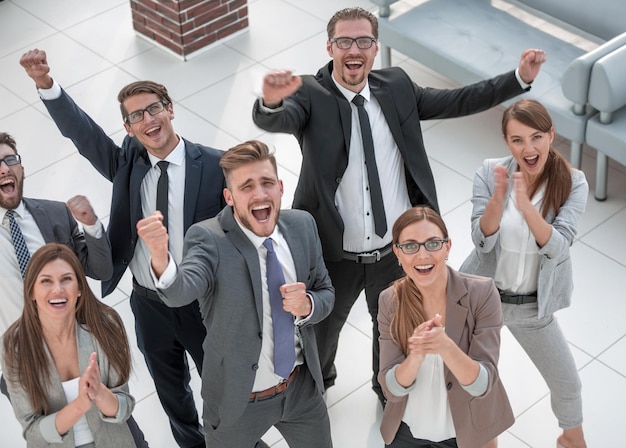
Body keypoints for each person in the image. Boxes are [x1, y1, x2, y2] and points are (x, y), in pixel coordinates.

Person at [252, 6, 547, 403]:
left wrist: (519, 79)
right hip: (333, 252)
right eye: (344, 41)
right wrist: (270, 103)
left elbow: (458, 100)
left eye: (363, 41)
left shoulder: (397, 86)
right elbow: (279, 119)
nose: (353, 49)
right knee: (321, 329)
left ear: (375, 49)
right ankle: (317, 386)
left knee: (392, 329)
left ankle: (385, 389)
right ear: (329, 47)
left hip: (396, 252)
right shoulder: (309, 93)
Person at [20, 49, 229, 448]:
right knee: (172, 393)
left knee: (220, 387)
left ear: (170, 110)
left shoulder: (216, 165)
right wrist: (47, 85)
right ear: (129, 128)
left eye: (153, 109)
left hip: (200, 302)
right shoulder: (128, 163)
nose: (147, 120)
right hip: (149, 304)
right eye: (136, 116)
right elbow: (84, 134)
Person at [136, 140, 334, 447]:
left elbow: (326, 292)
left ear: (280, 187)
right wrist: (161, 258)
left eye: (267, 182)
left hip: (300, 390)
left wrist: (307, 304)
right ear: (229, 197)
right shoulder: (208, 239)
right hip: (239, 401)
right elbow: (178, 293)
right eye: (246, 187)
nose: (259, 194)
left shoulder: (302, 226)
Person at [460, 99, 588, 448]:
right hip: (484, 301)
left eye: (536, 137)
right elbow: (481, 242)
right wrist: (499, 201)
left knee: (567, 384)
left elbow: (559, 246)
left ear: (551, 135)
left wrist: (527, 206)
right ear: (506, 141)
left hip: (534, 307)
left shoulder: (573, 182)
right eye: (517, 140)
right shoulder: (490, 172)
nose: (528, 148)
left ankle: (572, 440)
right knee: (479, 384)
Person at [378, 206, 513, 448]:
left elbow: (483, 384)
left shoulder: (481, 293)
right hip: (407, 431)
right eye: (410, 246)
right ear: (397, 252)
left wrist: (445, 347)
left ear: (447, 246)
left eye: (432, 244)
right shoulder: (390, 300)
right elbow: (391, 390)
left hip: (465, 434)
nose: (422, 256)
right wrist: (415, 356)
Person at [2, 243, 136, 447]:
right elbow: (33, 433)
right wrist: (79, 406)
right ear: (31, 292)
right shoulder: (14, 346)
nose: (57, 289)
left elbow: (124, 408)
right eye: (46, 281)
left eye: (66, 279)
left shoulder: (105, 326)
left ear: (80, 288)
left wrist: (100, 394)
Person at [0, 132, 112, 338]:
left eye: (10, 160)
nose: (4, 168)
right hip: (18, 357)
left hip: (75, 344)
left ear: (22, 171)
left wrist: (91, 224)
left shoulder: (56, 214)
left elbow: (102, 270)